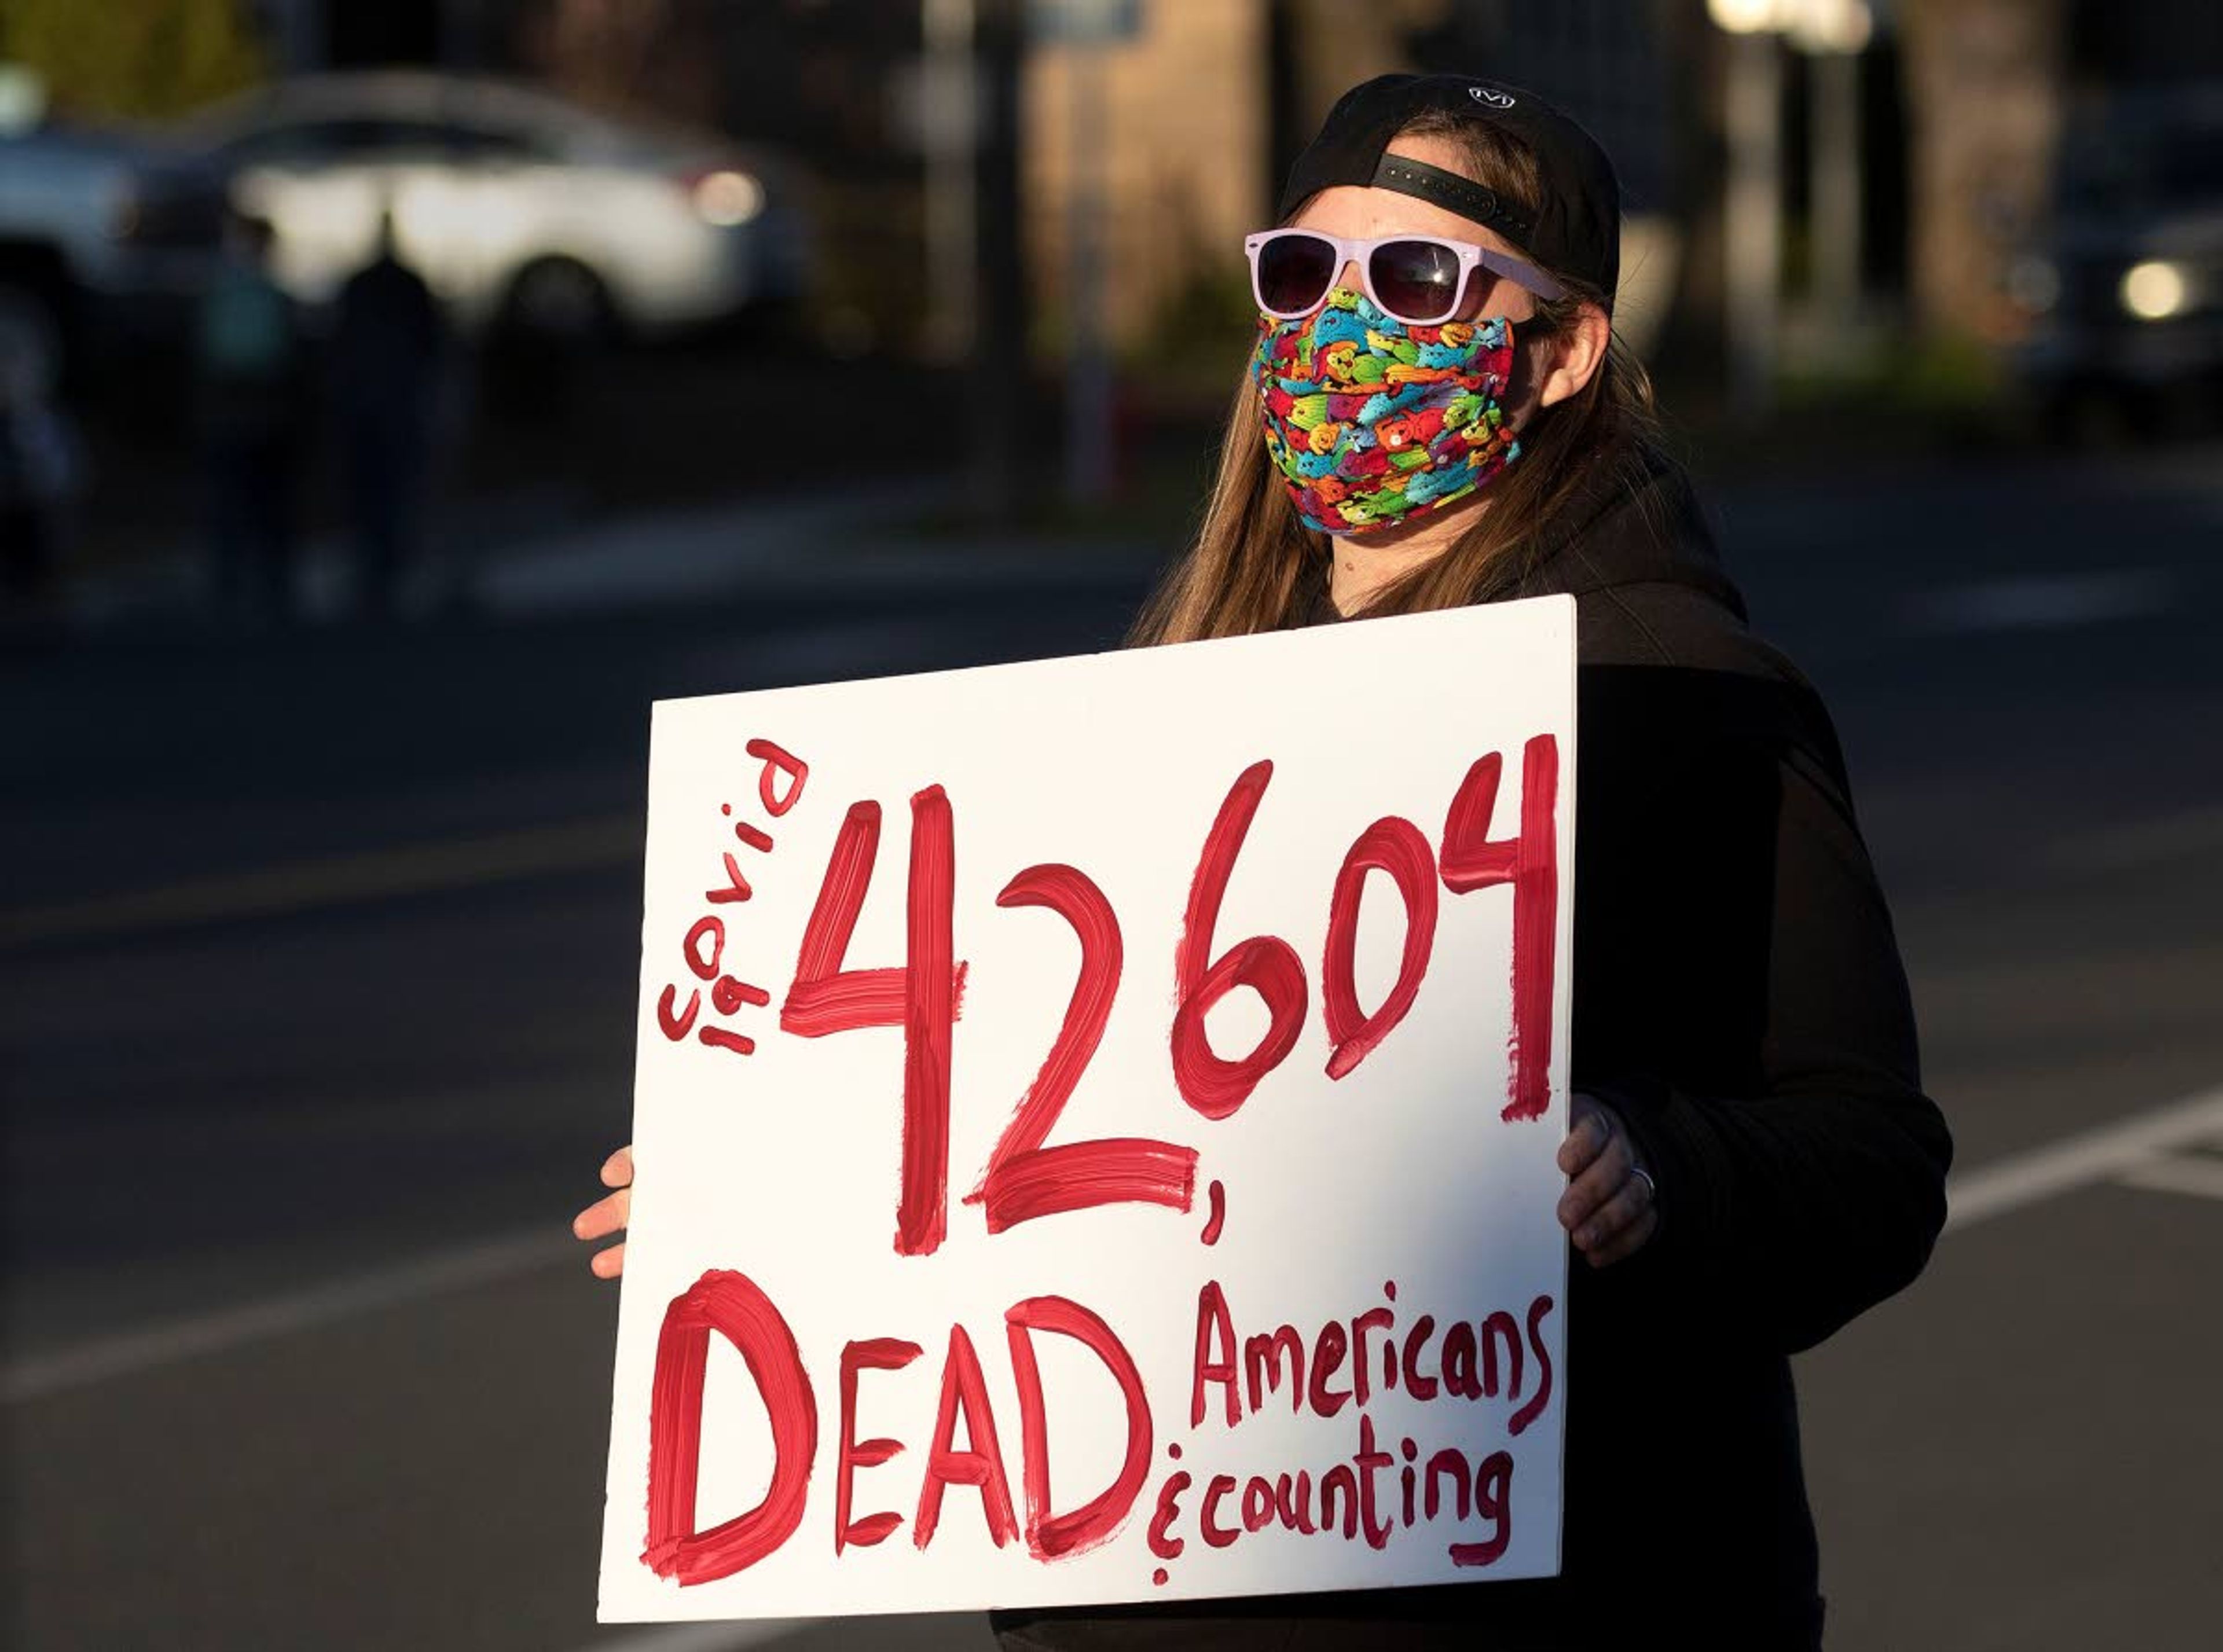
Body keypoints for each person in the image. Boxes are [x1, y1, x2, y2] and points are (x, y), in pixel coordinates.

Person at [574, 75, 1951, 1649]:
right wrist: (764, 1197)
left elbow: (1871, 1159)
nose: (1343, 325)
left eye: (1417, 282)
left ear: (1562, 353)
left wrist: (1657, 1169)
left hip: (1561, 1595)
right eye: (1303, 275)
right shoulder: (1183, 694)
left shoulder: (1683, 694)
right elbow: (1040, 1122)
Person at [331, 207, 442, 616]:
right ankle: (385, 566)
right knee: (393, 489)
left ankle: (379, 567)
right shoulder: (405, 284)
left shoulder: (366, 285)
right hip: (392, 400)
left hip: (374, 401)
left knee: (377, 490)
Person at [195, 209, 305, 620]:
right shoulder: (237, 293)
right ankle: (240, 579)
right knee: (244, 502)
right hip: (243, 411)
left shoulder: (257, 294)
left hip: (258, 412)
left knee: (258, 502)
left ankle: (255, 579)